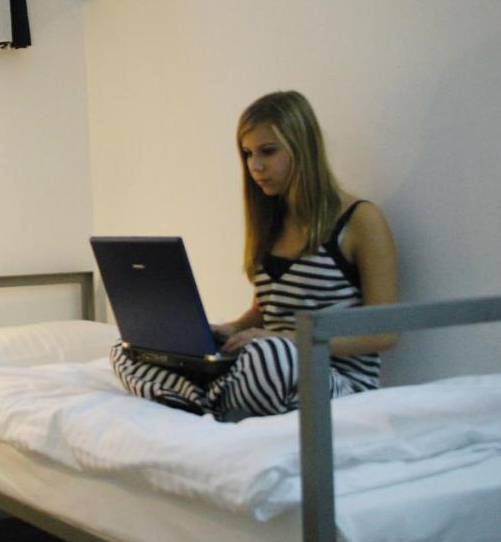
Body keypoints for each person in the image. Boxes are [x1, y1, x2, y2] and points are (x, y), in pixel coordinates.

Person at [111, 90, 398, 419]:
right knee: (130, 346)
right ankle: (203, 397)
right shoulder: (273, 221)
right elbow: (266, 310)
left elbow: (385, 332)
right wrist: (226, 331)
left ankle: (207, 399)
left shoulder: (360, 220)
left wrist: (287, 339)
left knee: (270, 355)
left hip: (335, 382)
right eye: (247, 154)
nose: (255, 166)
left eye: (268, 151)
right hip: (268, 362)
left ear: (303, 147)